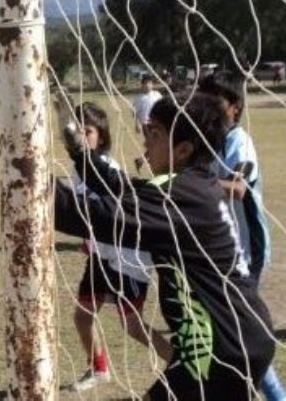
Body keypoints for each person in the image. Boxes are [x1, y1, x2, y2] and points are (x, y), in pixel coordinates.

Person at [54, 92, 275, 399]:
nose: (145, 143)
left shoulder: (179, 197)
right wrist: (78, 149)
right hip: (238, 334)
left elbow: (98, 217)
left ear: (183, 149)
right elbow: (119, 185)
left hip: (220, 345)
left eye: (154, 134)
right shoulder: (196, 184)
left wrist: (27, 177)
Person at [60, 102, 170, 393]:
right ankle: (99, 368)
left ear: (102, 136)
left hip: (126, 257)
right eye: (78, 130)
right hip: (100, 256)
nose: (83, 136)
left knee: (133, 327)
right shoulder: (78, 169)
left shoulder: (107, 168)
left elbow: (109, 212)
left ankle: (179, 364)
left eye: (89, 131)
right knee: (83, 316)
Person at [198, 72, 286, 401]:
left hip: (247, 252)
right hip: (220, 249)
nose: (207, 108)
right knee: (231, 333)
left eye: (214, 102)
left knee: (240, 334)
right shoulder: (208, 140)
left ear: (234, 107)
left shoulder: (239, 140)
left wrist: (193, 185)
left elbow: (237, 188)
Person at [132, 74, 163, 171]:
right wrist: (137, 123)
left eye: (149, 83)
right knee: (154, 144)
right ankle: (150, 163)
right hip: (146, 125)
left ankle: (141, 160)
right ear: (142, 85)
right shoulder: (139, 98)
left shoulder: (157, 94)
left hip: (159, 124)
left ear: (153, 84)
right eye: (145, 83)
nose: (147, 85)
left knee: (157, 144)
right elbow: (134, 112)